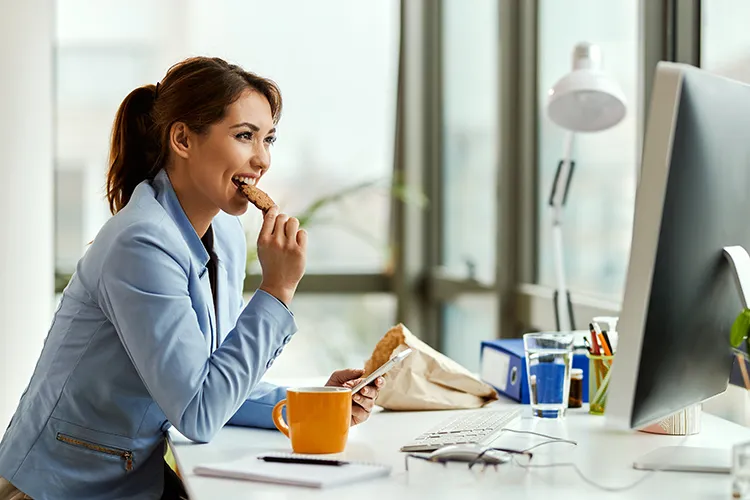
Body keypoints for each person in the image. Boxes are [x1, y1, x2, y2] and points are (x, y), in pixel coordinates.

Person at [0, 56, 384, 500]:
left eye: (269, 139)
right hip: (57, 490)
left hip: (129, 482)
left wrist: (314, 404)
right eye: (245, 137)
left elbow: (208, 382)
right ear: (182, 139)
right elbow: (200, 414)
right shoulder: (140, 242)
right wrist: (277, 291)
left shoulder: (224, 231)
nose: (262, 160)